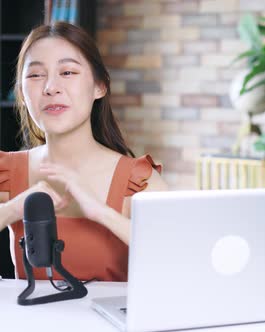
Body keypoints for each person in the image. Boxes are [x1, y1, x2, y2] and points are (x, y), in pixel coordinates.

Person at [0, 22, 167, 282]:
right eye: (35, 75)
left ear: (99, 86)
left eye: (67, 72)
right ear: (21, 94)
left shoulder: (139, 183)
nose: (50, 87)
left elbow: (182, 260)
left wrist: (101, 212)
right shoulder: (7, 172)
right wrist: (13, 208)